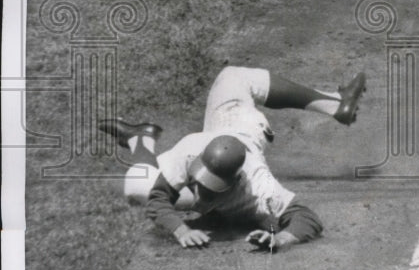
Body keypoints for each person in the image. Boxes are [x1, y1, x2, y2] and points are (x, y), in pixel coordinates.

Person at [100, 65, 366, 250]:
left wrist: (282, 239)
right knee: (232, 76)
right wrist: (181, 229)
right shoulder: (190, 149)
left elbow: (307, 218)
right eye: (200, 181)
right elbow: (160, 198)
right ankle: (334, 102)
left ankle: (140, 138)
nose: (202, 192)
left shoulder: (259, 189)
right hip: (226, 122)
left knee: (138, 186)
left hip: (248, 130)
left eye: (211, 189)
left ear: (235, 183)